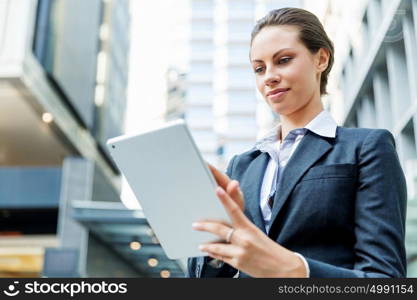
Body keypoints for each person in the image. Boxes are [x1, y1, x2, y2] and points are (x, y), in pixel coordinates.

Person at [187, 7, 407, 278]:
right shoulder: (241, 166)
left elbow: (385, 280)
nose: (269, 76)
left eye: (284, 60)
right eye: (259, 68)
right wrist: (217, 237)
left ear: (321, 59)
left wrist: (296, 270)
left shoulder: (366, 148)